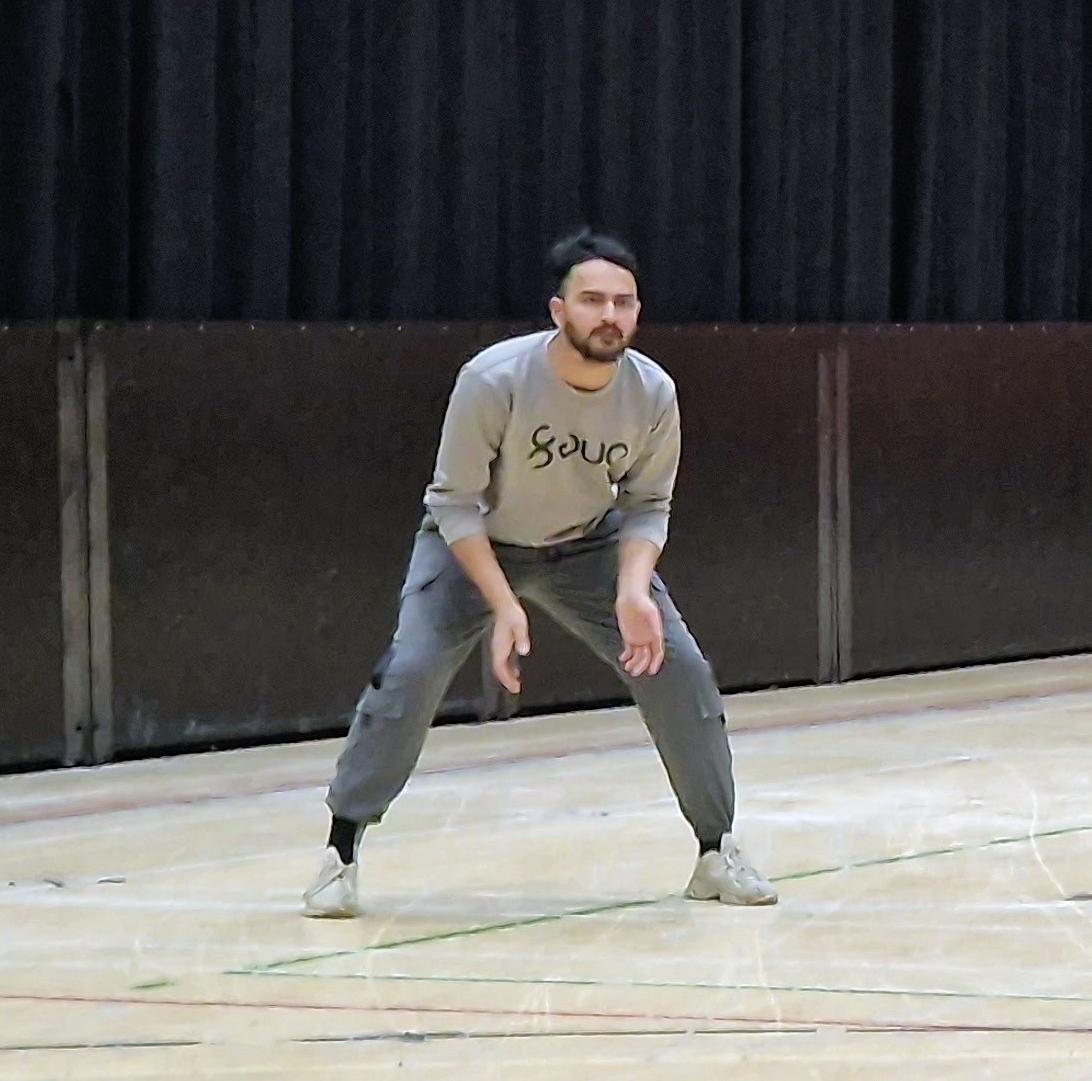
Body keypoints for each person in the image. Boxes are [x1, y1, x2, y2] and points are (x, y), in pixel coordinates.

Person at [304, 232, 771, 915]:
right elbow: (454, 503)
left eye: (622, 302)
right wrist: (504, 603)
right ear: (558, 310)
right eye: (591, 300)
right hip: (474, 545)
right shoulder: (494, 380)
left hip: (586, 545)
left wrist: (634, 587)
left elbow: (647, 504)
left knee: (679, 669)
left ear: (637, 314)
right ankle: (339, 852)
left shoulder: (654, 393)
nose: (607, 314)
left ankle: (716, 849)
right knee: (410, 671)